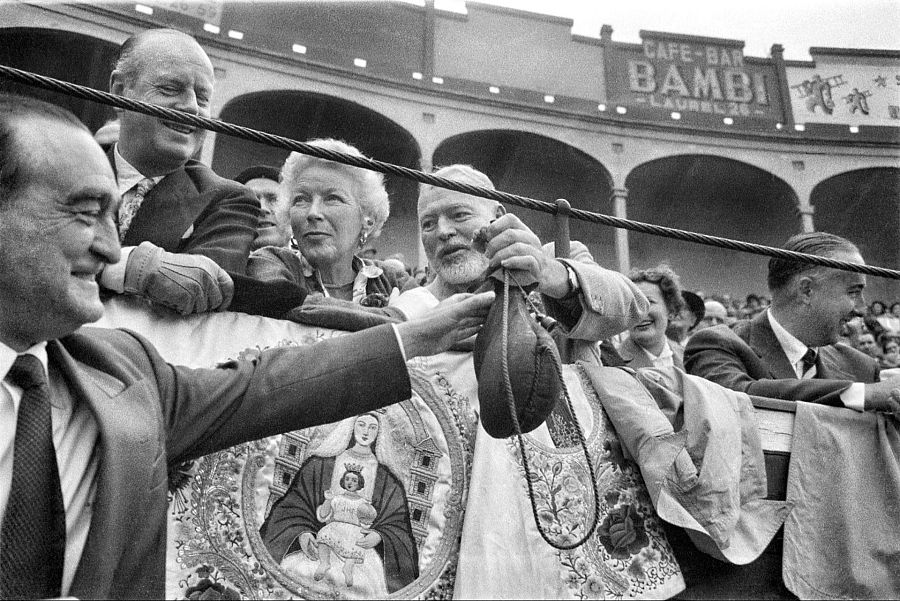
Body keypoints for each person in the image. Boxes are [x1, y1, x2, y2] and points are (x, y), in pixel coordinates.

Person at [0, 94, 494, 599]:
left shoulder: (124, 371)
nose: (112, 250)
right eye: (85, 213)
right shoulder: (267, 271)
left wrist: (418, 335)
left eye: (112, 218)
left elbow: (268, 386)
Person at [390, 164, 647, 368]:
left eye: (459, 215)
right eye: (428, 224)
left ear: (499, 216)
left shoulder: (557, 258)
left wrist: (548, 273)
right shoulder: (409, 306)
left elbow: (634, 305)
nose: (443, 232)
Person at [98, 28, 265, 314]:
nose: (191, 108)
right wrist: (134, 267)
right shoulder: (56, 168)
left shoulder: (229, 200)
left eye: (202, 98)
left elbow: (199, 293)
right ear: (120, 92)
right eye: (170, 89)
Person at [685, 232, 900, 413]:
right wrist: (863, 394)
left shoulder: (861, 366)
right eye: (853, 292)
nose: (862, 309)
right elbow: (737, 398)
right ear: (806, 290)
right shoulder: (716, 345)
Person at [261, 411, 417, 594]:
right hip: (321, 546)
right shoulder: (319, 466)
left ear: (379, 433)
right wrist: (302, 534)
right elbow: (293, 508)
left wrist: (380, 536)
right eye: (361, 424)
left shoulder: (387, 481)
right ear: (351, 426)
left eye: (372, 427)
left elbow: (398, 525)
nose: (366, 432)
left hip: (360, 553)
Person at [246, 139, 410, 308]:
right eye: (301, 199)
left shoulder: (392, 278)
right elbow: (298, 309)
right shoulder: (272, 263)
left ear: (368, 219)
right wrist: (398, 315)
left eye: (332, 198)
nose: (313, 213)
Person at [617, 264, 686, 370]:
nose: (639, 312)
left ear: (671, 310)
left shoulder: (687, 357)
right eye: (631, 304)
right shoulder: (613, 362)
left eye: (649, 302)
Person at [234, 164, 292, 250]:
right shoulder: (212, 262)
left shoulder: (314, 262)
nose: (262, 208)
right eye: (251, 201)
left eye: (273, 199)